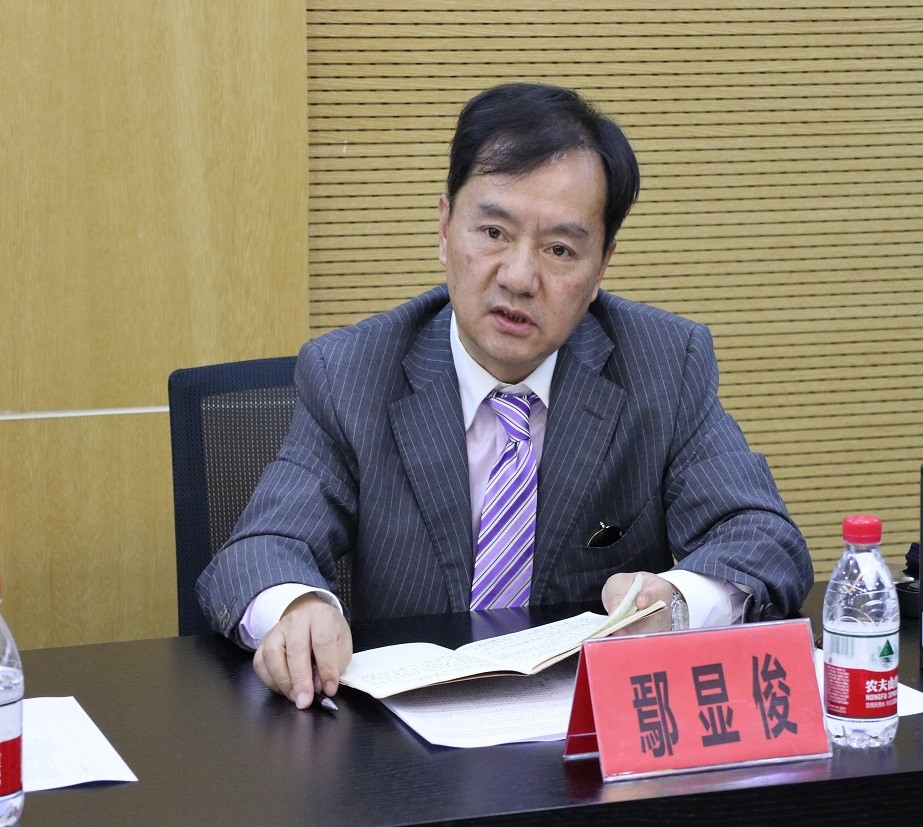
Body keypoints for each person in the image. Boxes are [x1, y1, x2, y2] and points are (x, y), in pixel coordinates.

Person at [197, 82, 813, 709]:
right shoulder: (351, 373)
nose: (519, 277)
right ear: (445, 228)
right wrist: (296, 605)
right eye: (493, 231)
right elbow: (261, 549)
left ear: (601, 266)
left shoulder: (663, 365)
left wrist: (678, 604)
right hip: (403, 740)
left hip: (587, 737)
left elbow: (761, 537)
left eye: (560, 249)